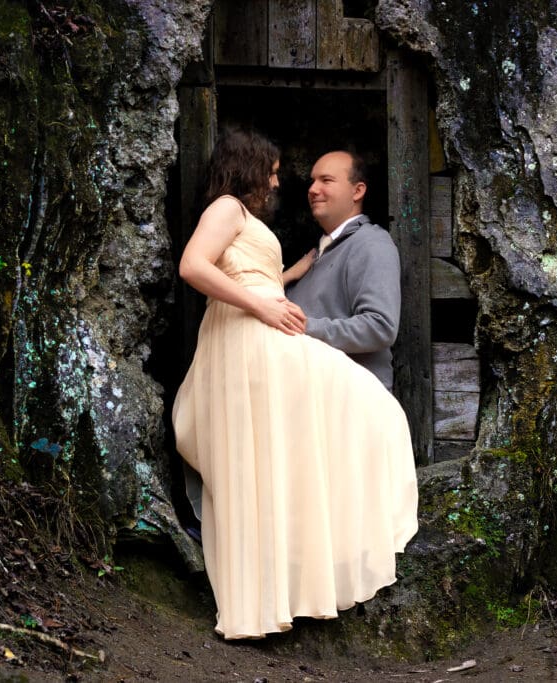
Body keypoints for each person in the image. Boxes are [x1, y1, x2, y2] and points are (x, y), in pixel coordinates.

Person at [172, 129, 418, 640]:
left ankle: (282, 585)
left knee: (277, 461)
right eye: (278, 170)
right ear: (251, 166)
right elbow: (196, 267)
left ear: (359, 189)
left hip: (254, 335)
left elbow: (252, 282)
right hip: (246, 336)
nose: (286, 182)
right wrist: (267, 302)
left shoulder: (365, 244)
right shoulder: (228, 209)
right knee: (271, 461)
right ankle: (270, 591)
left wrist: (285, 279)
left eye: (325, 178)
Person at [286, 150, 401, 390]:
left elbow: (380, 326)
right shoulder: (315, 254)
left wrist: (303, 326)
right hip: (316, 403)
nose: (313, 189)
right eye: (313, 181)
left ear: (357, 191)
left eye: (326, 180)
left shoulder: (371, 243)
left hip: (353, 405)